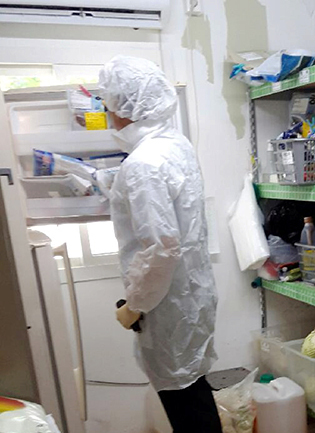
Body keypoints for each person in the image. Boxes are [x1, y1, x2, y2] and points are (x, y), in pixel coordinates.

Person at [98, 56, 222, 433]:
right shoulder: (174, 145)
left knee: (188, 409)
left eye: (109, 103)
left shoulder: (142, 164)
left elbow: (161, 248)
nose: (107, 112)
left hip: (166, 308)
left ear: (125, 106)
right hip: (191, 295)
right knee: (195, 395)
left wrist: (134, 305)